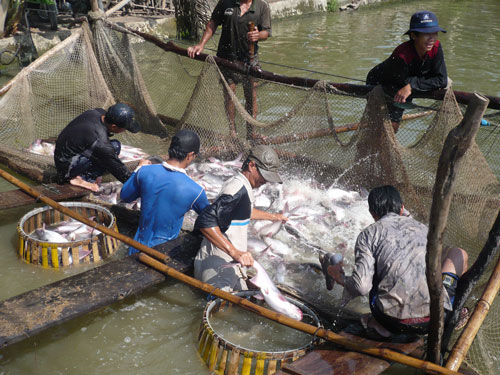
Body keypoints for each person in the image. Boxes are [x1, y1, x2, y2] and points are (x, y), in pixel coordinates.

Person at [324, 185, 468, 337]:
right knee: (459, 253)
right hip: (438, 317)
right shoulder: (423, 229)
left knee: (376, 269)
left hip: (392, 322)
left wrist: (340, 278)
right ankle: (454, 309)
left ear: (372, 213)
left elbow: (361, 288)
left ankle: (378, 324)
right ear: (402, 208)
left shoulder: (368, 234)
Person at [194, 145, 287, 292]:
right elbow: (205, 221)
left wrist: (275, 217)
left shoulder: (244, 185)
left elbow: (244, 211)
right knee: (225, 310)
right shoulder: (237, 188)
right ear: (251, 166)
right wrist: (235, 252)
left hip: (232, 263)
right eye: (263, 175)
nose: (266, 181)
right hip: (217, 264)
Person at [121, 130, 210, 255]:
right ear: (189, 156)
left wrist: (138, 169)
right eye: (195, 156)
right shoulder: (196, 191)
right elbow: (210, 220)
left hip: (135, 247)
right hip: (163, 253)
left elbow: (125, 196)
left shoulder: (144, 172)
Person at [187, 0, 272, 131]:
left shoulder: (262, 5)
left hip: (249, 58)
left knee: (251, 95)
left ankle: (252, 131)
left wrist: (258, 35)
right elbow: (213, 23)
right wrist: (201, 44)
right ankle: (232, 130)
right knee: (229, 94)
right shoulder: (226, 2)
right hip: (226, 57)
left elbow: (266, 32)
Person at [366, 11, 448, 132]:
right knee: (388, 125)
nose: (432, 38)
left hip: (409, 80)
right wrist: (410, 86)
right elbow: (399, 85)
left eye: (435, 33)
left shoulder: (435, 47)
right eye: (426, 34)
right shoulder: (402, 55)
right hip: (383, 81)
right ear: (414, 36)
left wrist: (412, 86)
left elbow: (442, 80)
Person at [54, 103, 142, 192]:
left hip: (62, 153)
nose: (125, 131)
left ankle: (84, 175)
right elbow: (119, 171)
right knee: (112, 151)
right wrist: (139, 180)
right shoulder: (100, 142)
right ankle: (79, 179)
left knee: (115, 146)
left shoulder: (97, 112)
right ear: (114, 126)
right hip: (66, 168)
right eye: (124, 129)